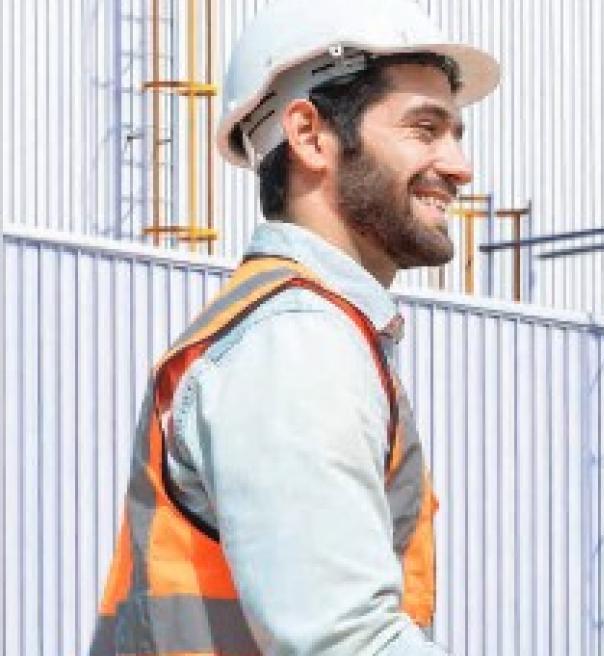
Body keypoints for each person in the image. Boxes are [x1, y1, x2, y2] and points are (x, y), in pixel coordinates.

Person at [88, 0, 498, 653]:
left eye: (456, 134)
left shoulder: (303, 329)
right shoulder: (297, 341)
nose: (459, 166)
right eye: (425, 129)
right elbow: (346, 640)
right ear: (309, 135)